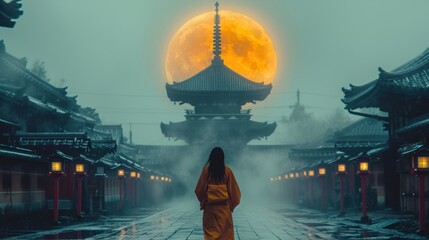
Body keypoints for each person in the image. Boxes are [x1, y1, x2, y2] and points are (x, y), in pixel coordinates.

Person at [195, 147, 241, 240]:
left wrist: (205, 201)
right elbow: (235, 193)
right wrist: (230, 205)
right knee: (225, 234)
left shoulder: (206, 171)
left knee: (210, 234)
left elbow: (199, 190)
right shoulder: (227, 171)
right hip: (224, 211)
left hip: (210, 210)